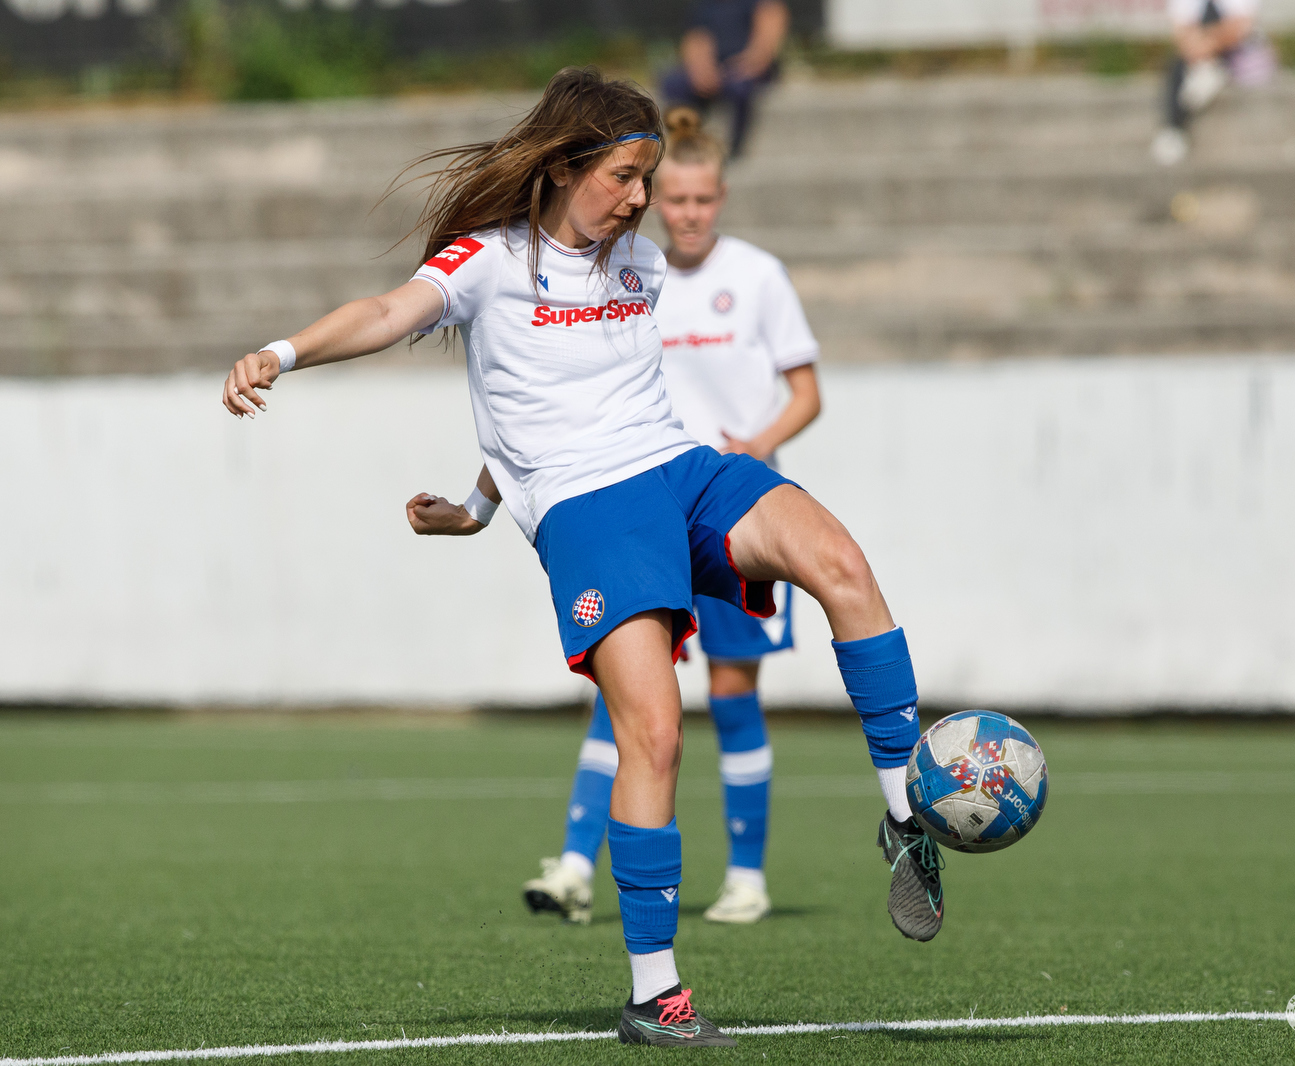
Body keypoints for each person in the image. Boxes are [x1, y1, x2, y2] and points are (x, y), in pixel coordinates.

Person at [220, 67, 942, 1049]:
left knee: (843, 567)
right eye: (625, 177)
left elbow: (561, 397)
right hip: (588, 511)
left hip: (680, 467)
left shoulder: (632, 263)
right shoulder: (488, 261)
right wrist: (283, 353)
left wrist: (478, 500)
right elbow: (392, 315)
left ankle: (905, 814)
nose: (640, 199)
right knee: (654, 734)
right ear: (563, 166)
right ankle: (656, 994)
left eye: (647, 178)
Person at [520, 106, 821, 929]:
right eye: (673, 198)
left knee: (730, 692)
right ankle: (577, 866)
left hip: (724, 509)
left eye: (701, 200)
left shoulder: (757, 276)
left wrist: (756, 442)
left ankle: (747, 877)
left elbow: (808, 392)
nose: (685, 213)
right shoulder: (622, 267)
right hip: (634, 505)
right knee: (626, 693)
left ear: (720, 197)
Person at [659, 0, 788, 158]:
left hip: (749, 69)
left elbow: (767, 38)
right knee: (674, 84)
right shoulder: (706, 5)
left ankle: (734, 152)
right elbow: (695, 38)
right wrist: (701, 70)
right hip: (715, 68)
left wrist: (747, 65)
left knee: (740, 88)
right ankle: (687, 143)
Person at [1151, 0, 1263, 166]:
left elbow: (1240, 28)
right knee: (1176, 65)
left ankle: (1174, 127)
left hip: (1233, 55)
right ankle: (1207, 73)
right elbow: (1181, 34)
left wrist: (1207, 43)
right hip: (1195, 58)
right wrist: (1199, 47)